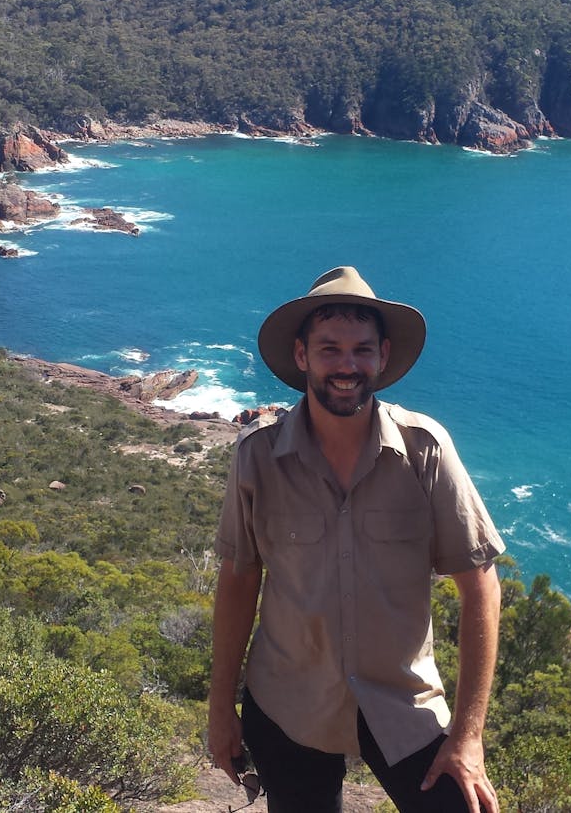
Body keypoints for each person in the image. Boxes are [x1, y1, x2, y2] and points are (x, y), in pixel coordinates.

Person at [208, 266, 506, 813]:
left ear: (383, 355)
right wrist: (220, 707)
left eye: (361, 350)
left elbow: (481, 588)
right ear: (301, 356)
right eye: (330, 349)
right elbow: (238, 580)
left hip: (401, 702)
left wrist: (468, 737)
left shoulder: (425, 452)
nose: (347, 366)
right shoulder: (257, 458)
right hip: (288, 702)